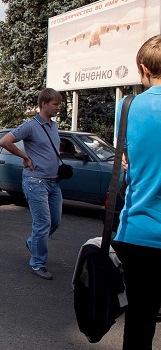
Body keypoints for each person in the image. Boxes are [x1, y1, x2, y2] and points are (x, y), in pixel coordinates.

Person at [114, 34, 161, 349]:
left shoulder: (128, 107)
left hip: (138, 233)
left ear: (144, 68)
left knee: (140, 321)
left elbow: (126, 165)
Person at [0, 88, 63, 280]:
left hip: (54, 182)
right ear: (44, 104)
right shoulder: (30, 126)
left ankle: (33, 243)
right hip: (36, 182)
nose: (58, 108)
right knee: (42, 223)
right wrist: (24, 156)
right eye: (55, 104)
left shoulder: (53, 126)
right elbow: (5, 141)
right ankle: (37, 263)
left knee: (55, 222)